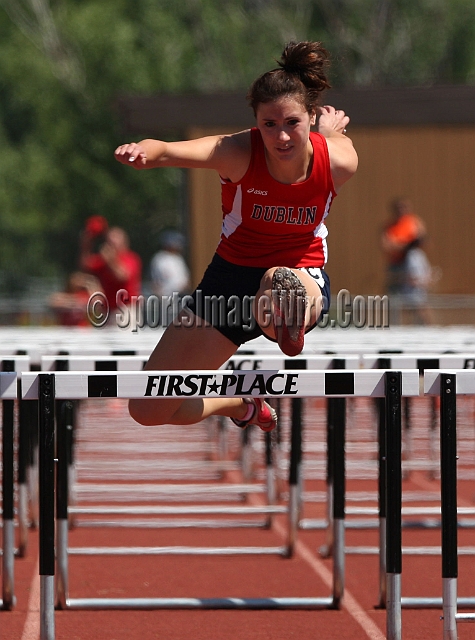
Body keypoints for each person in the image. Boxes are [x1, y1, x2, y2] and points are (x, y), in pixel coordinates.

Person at [114, 41, 358, 432]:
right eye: (269, 125)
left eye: (292, 123)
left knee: (280, 282)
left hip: (299, 268)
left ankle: (283, 315)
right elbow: (166, 150)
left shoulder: (338, 161)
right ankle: (237, 404)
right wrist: (140, 152)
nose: (280, 137)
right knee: (147, 410)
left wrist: (329, 134)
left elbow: (340, 143)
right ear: (255, 123)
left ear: (310, 118)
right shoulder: (238, 152)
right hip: (229, 279)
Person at [80, 217, 142, 313]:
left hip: (125, 308)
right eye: (108, 240)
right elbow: (86, 266)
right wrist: (86, 244)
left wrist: (110, 261)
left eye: (114, 240)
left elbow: (122, 276)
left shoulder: (130, 257)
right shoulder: (104, 260)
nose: (110, 243)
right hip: (108, 308)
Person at [380, 197, 426, 296]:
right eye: (399, 208)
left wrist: (407, 246)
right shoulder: (389, 226)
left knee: (415, 296)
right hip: (396, 264)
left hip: (412, 263)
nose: (402, 210)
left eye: (404, 207)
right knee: (393, 294)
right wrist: (405, 246)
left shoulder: (414, 223)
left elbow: (423, 241)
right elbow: (387, 246)